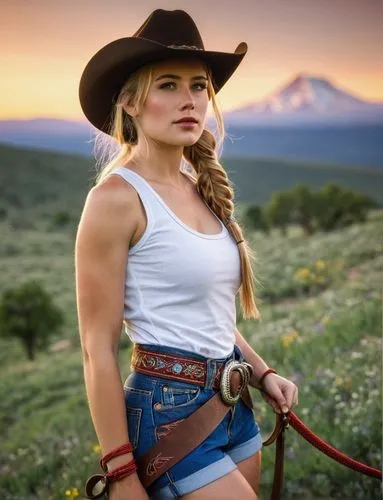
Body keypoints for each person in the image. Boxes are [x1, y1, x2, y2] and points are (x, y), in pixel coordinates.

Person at [75, 8, 298, 500]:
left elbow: (207, 315)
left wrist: (262, 374)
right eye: (169, 85)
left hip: (232, 404)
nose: (189, 100)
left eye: (199, 86)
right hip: (167, 415)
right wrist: (120, 471)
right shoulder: (114, 200)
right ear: (130, 101)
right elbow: (96, 347)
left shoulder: (197, 187)